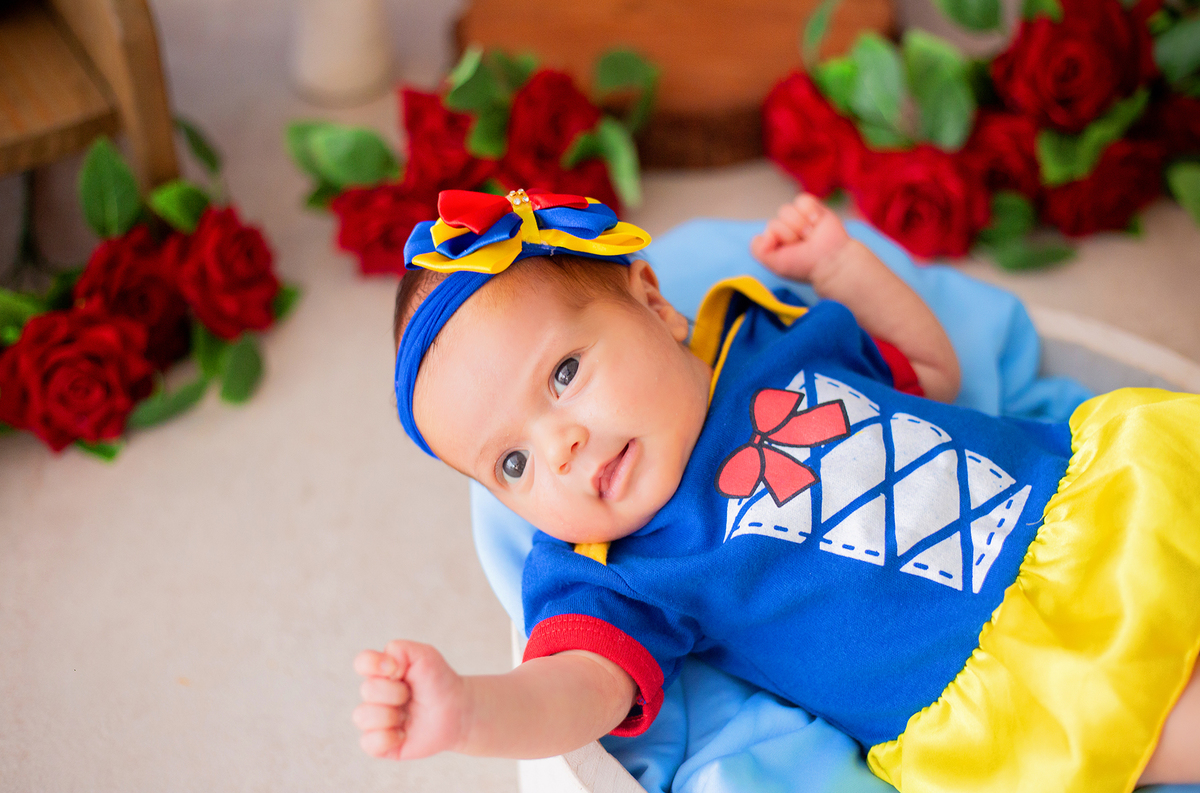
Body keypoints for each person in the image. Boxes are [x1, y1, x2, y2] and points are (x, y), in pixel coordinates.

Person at [353, 187, 1200, 790]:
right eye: (512, 464)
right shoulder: (610, 571)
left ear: (653, 303)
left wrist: (843, 267)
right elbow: (575, 694)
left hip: (1085, 498)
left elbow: (934, 373)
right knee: (1162, 723)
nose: (562, 447)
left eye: (565, 374)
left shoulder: (764, 334)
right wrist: (467, 712)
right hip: (1018, 671)